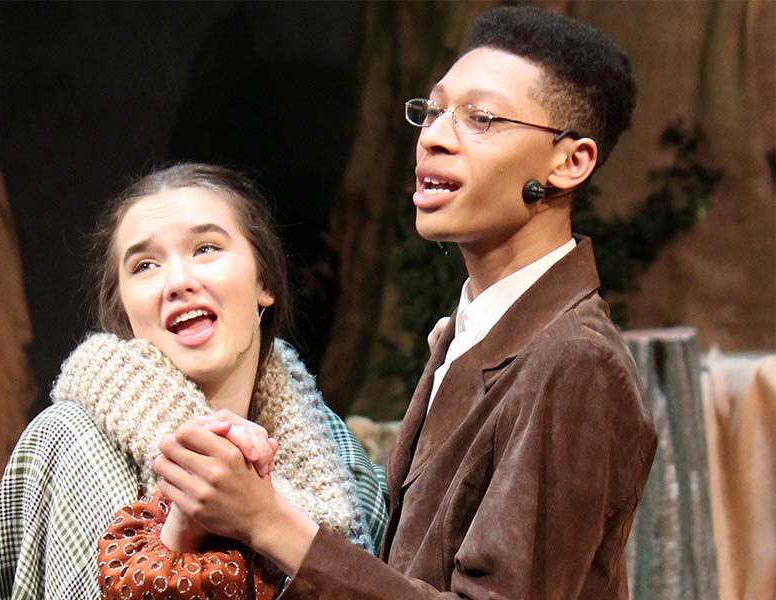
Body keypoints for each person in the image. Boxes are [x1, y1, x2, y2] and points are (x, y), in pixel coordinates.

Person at [151, 5, 658, 599]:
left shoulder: (575, 360)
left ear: (570, 162)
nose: (435, 137)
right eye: (435, 110)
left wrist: (269, 521)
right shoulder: (469, 331)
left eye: (481, 118)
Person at [0, 163, 388, 599]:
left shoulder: (341, 455)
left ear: (263, 281)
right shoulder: (72, 441)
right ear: (126, 312)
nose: (177, 282)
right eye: (145, 265)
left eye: (206, 248)